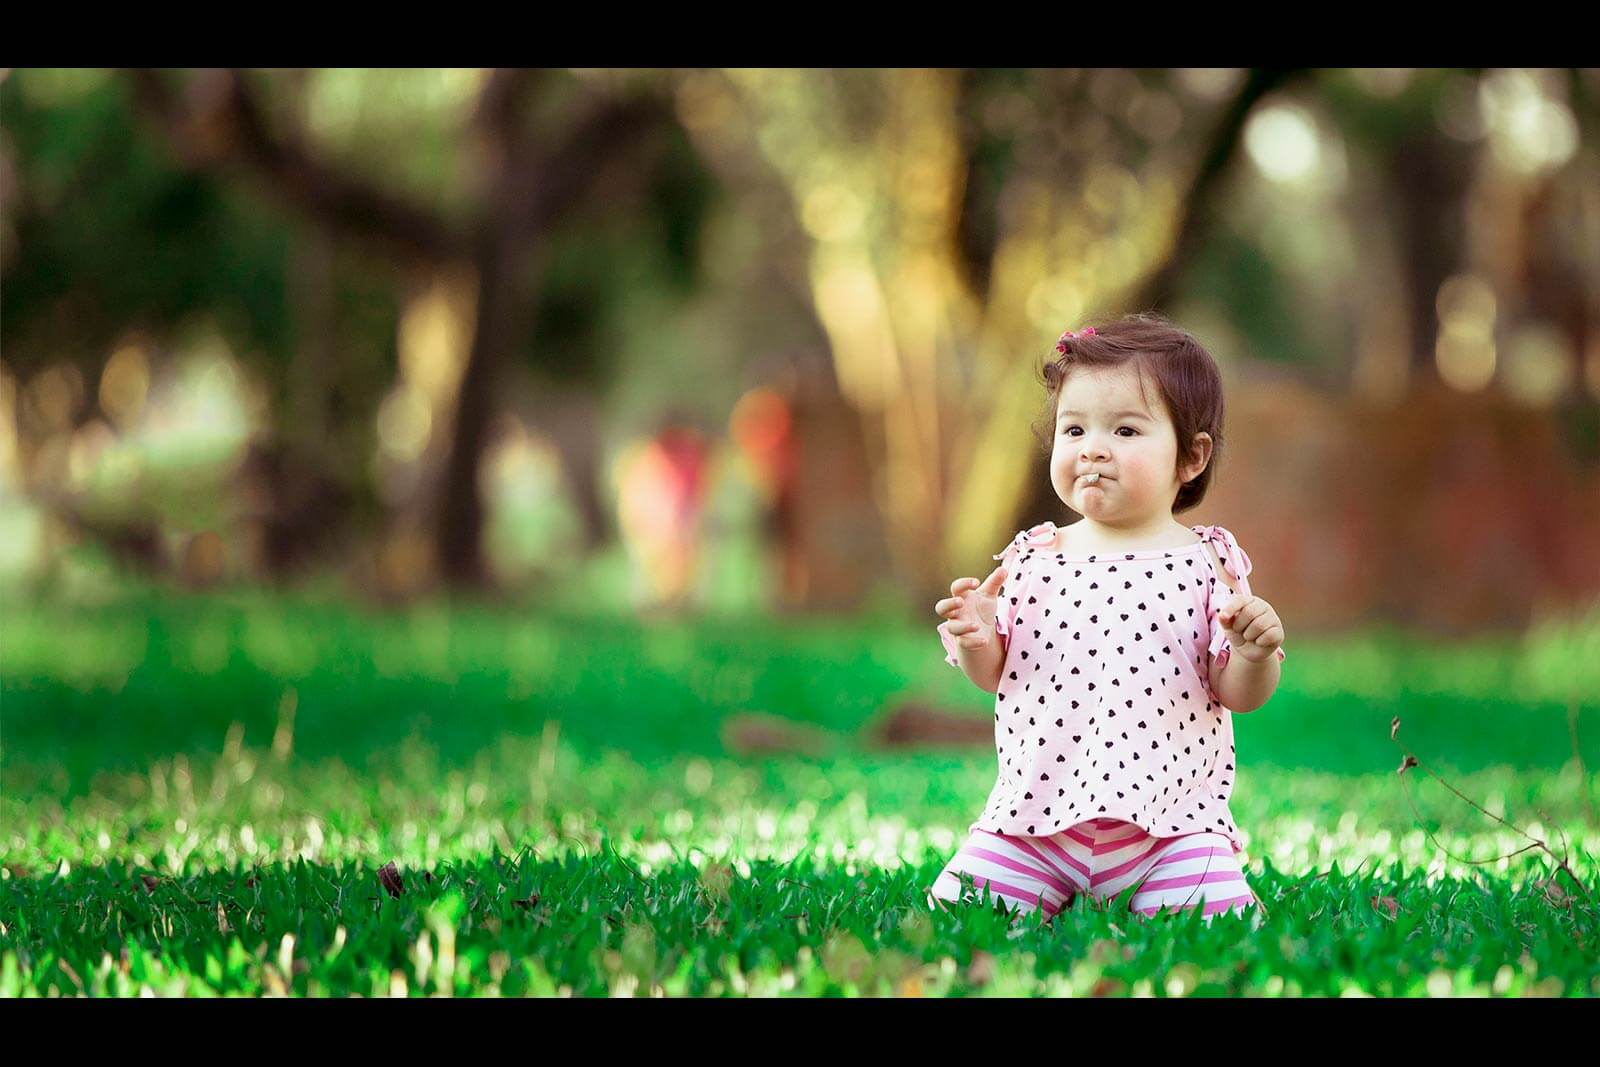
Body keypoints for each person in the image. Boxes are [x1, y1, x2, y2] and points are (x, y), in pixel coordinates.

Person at [929, 314, 1287, 929]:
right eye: (1074, 429)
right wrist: (976, 638)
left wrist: (1252, 656)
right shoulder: (1031, 558)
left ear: (1191, 457)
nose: (1092, 447)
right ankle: (1043, 885)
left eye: (1124, 429)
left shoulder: (1208, 564)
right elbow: (994, 675)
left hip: (1170, 829)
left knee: (1221, 928)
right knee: (957, 917)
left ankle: (1174, 886)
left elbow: (1237, 694)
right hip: (1034, 824)